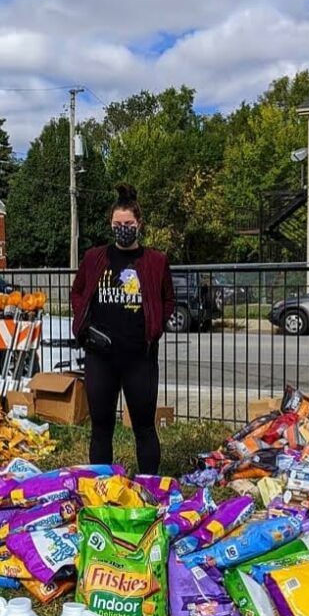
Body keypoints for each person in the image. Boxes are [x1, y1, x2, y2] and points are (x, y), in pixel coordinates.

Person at [71, 183, 175, 475]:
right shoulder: (94, 258)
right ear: (111, 225)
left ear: (139, 224)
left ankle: (148, 486)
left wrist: (155, 327)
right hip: (100, 356)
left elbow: (168, 299)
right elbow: (77, 292)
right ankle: (102, 486)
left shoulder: (155, 261)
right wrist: (84, 322)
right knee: (101, 426)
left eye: (128, 223)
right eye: (117, 224)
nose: (122, 228)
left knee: (144, 426)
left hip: (139, 357)